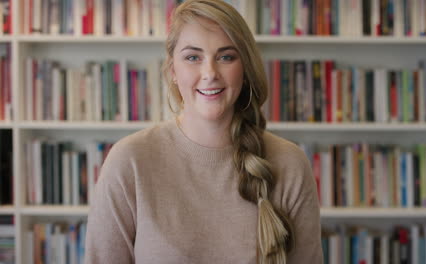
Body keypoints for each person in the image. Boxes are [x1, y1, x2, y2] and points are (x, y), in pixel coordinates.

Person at [84, 0, 322, 263]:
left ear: (244, 68)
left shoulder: (290, 164)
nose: (210, 73)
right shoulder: (129, 161)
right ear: (173, 70)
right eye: (193, 57)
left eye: (226, 57)